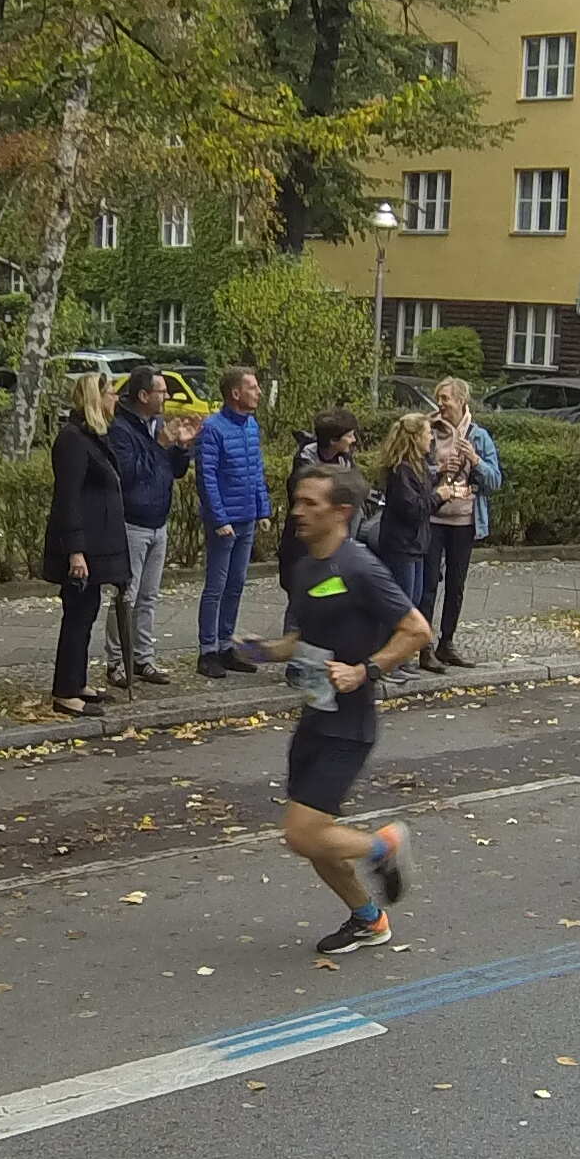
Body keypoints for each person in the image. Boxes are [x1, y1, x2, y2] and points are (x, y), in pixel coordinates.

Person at [231, 463, 431, 955]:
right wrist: (263, 651)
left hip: (350, 725)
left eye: (310, 503)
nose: (297, 511)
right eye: (296, 501)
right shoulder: (306, 568)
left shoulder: (360, 567)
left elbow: (417, 630)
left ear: (341, 512)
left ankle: (384, 846)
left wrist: (366, 670)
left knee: (302, 835)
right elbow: (304, 638)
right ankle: (368, 920)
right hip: (315, 716)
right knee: (317, 839)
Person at [42, 370, 129, 716]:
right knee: (76, 616)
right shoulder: (72, 440)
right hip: (82, 547)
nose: (115, 399)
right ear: (97, 397)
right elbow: (69, 498)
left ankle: (77, 681)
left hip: (97, 544)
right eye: (111, 393)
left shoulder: (93, 436)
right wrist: (75, 550)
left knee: (87, 611)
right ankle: (65, 691)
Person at [103, 368, 191, 688]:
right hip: (133, 522)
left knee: (148, 597)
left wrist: (180, 448)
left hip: (158, 520)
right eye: (161, 391)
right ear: (143, 396)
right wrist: (160, 445)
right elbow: (129, 474)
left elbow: (172, 471)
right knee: (126, 595)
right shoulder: (121, 429)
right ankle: (117, 660)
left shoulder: (156, 424)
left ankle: (143, 657)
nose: (166, 397)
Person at [195, 364, 272, 679]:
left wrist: (262, 509)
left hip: (247, 517)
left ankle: (226, 644)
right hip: (225, 521)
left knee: (236, 583)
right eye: (252, 387)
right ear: (236, 393)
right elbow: (207, 476)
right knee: (216, 585)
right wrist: (219, 517)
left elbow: (256, 470)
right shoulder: (213, 428)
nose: (258, 392)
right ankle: (207, 650)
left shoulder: (251, 425)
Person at [425, 378, 501, 669]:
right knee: (428, 584)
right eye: (439, 398)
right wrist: (439, 469)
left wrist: (475, 460)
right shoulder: (430, 432)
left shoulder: (478, 436)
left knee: (456, 585)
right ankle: (423, 646)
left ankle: (447, 643)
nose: (441, 404)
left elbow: (495, 481)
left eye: (445, 398)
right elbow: (416, 471)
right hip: (433, 519)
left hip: (464, 521)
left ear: (461, 401)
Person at [368, 409, 438, 623]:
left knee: (413, 602)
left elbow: (424, 499)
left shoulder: (419, 466)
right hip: (401, 545)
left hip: (415, 545)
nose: (432, 437)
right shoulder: (401, 471)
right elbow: (414, 509)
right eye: (428, 433)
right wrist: (440, 496)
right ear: (415, 438)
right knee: (403, 607)